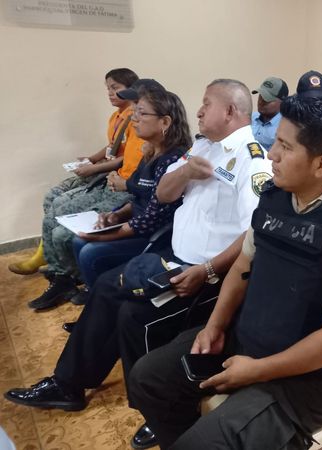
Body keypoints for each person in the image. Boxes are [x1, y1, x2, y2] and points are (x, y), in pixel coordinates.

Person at [4, 79, 272, 450]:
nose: (198, 111)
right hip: (173, 259)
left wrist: (208, 270)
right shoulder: (202, 146)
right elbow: (163, 193)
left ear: (229, 111)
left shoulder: (251, 159)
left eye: (206, 103)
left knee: (133, 315)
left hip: (209, 275)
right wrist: (186, 173)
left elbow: (253, 233)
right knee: (105, 287)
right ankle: (68, 385)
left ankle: (156, 411)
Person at [126, 94, 322, 449]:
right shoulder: (276, 196)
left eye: (285, 147)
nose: (271, 154)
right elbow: (243, 266)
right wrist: (215, 326)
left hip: (308, 379)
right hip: (248, 340)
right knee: (147, 379)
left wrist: (256, 371)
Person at [24, 80, 160, 311]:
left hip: (127, 196)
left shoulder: (163, 150)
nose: (134, 116)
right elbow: (120, 156)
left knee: (63, 233)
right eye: (135, 108)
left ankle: (68, 275)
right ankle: (61, 272)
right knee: (57, 206)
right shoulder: (135, 129)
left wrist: (120, 188)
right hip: (119, 185)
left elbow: (151, 197)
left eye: (140, 109)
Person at [8, 68, 142, 276]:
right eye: (107, 89)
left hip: (116, 180)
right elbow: (112, 147)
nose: (110, 93)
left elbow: (127, 159)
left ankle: (63, 265)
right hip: (111, 175)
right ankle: (51, 253)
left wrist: (95, 168)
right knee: (52, 197)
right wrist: (92, 159)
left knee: (60, 208)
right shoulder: (116, 117)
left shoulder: (136, 121)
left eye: (115, 88)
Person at [71, 87, 192, 290]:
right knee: (78, 242)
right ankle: (95, 295)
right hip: (137, 225)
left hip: (156, 237)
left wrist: (105, 235)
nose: (134, 119)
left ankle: (102, 297)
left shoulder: (173, 160)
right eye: (134, 112)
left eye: (141, 113)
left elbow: (151, 219)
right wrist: (116, 215)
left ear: (165, 122)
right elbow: (137, 197)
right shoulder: (151, 151)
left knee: (89, 251)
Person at [251, 76, 288, 150]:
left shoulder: (285, 127)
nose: (261, 101)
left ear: (282, 102)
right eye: (260, 96)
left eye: (267, 99)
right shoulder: (249, 119)